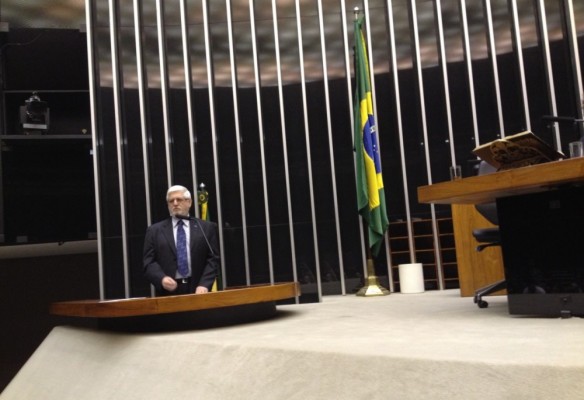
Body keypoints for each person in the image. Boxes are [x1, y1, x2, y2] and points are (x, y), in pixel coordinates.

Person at [143, 185, 220, 296]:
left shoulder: (206, 228)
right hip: (167, 291)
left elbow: (213, 259)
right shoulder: (154, 231)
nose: (175, 203)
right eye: (171, 201)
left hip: (198, 289)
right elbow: (148, 262)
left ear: (189, 202)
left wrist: (204, 284)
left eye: (179, 199)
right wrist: (161, 279)